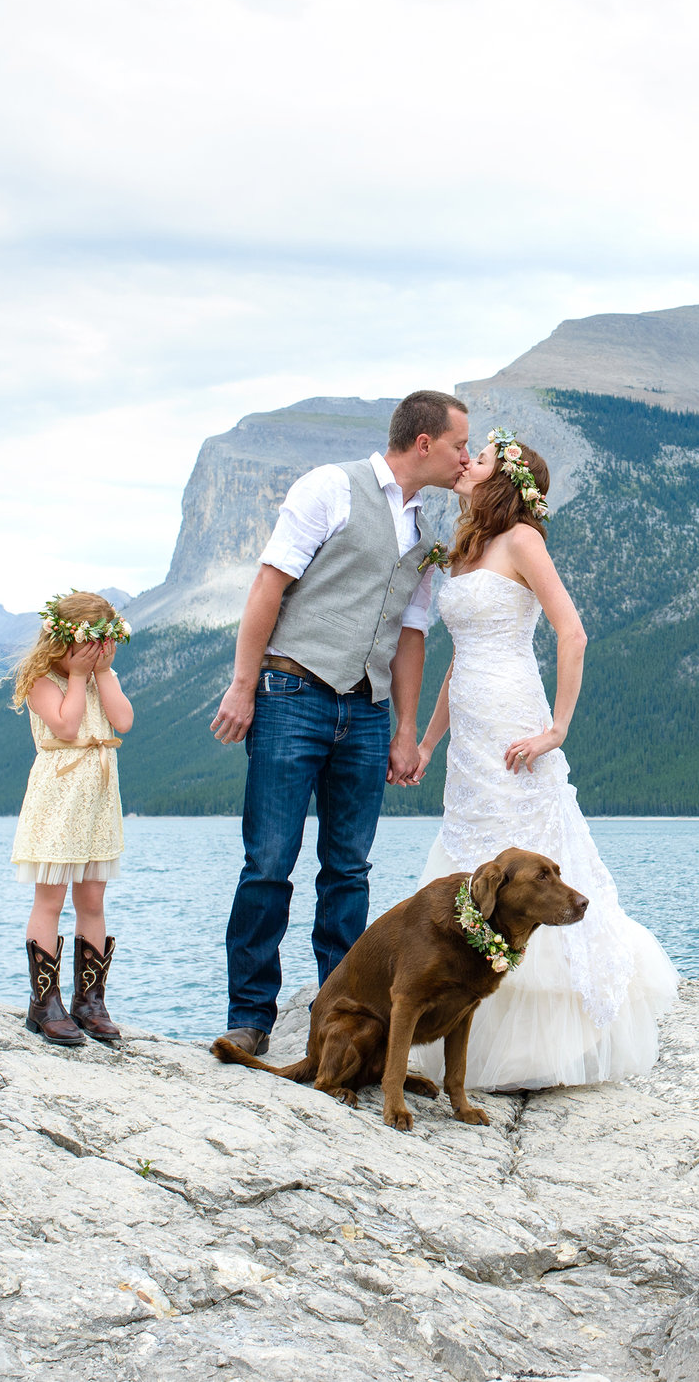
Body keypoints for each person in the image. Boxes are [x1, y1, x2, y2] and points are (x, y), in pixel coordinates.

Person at [411, 428, 678, 1089]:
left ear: (506, 477)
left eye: (483, 457)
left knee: (526, 861)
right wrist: (426, 741)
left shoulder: (522, 540)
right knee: (471, 861)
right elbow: (457, 663)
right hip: (471, 733)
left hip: (515, 721)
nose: (468, 461)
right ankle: (466, 1013)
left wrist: (556, 727)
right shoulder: (467, 550)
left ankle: (540, 1040)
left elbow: (572, 629)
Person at [210, 389, 471, 1054]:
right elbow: (268, 585)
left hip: (366, 710)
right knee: (269, 860)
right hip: (291, 691)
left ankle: (341, 1013)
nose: (464, 456)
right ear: (423, 443)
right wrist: (244, 686)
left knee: (348, 868)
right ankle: (249, 1019)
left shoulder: (422, 534)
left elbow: (410, 635)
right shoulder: (330, 488)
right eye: (457, 444)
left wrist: (406, 729)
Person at [9, 590, 136, 1047]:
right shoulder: (42, 679)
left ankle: (91, 1001)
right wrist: (79, 676)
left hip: (98, 800)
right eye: (90, 645)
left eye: (104, 645)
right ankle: (45, 1003)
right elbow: (65, 725)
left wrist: (102, 673)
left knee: (93, 899)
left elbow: (123, 721)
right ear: (64, 640)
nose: (98, 652)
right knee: (50, 900)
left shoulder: (105, 675)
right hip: (58, 797)